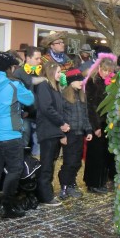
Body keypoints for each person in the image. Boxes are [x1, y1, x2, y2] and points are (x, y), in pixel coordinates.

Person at [0, 51, 34, 219]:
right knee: (14, 169)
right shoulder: (13, 85)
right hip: (11, 133)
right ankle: (7, 205)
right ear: (10, 68)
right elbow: (29, 99)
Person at [34, 62, 71, 206]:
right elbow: (46, 108)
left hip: (54, 131)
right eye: (58, 71)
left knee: (51, 163)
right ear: (50, 72)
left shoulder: (55, 88)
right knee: (47, 164)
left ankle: (46, 192)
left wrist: (62, 131)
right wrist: (61, 123)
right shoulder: (44, 86)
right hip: (48, 130)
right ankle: (45, 196)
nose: (60, 74)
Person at [57, 68, 93, 199]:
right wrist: (62, 135)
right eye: (78, 80)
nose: (81, 82)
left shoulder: (81, 96)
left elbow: (85, 116)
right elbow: (60, 118)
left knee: (77, 162)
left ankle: (71, 183)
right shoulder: (64, 97)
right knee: (69, 161)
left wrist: (88, 130)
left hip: (79, 134)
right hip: (69, 134)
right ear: (71, 82)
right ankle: (64, 186)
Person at [83, 54, 116, 194]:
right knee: (95, 155)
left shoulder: (109, 82)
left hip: (106, 123)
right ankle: (92, 183)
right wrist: (95, 126)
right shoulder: (92, 82)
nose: (107, 73)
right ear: (99, 68)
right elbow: (91, 106)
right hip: (96, 123)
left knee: (104, 155)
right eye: (105, 70)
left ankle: (101, 181)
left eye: (109, 71)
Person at [12, 45, 46, 156]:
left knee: (39, 145)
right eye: (37, 58)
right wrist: (44, 79)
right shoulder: (19, 72)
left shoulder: (40, 71)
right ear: (28, 58)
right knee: (24, 143)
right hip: (25, 115)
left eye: (40, 58)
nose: (39, 61)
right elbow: (29, 83)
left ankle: (35, 168)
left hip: (38, 114)